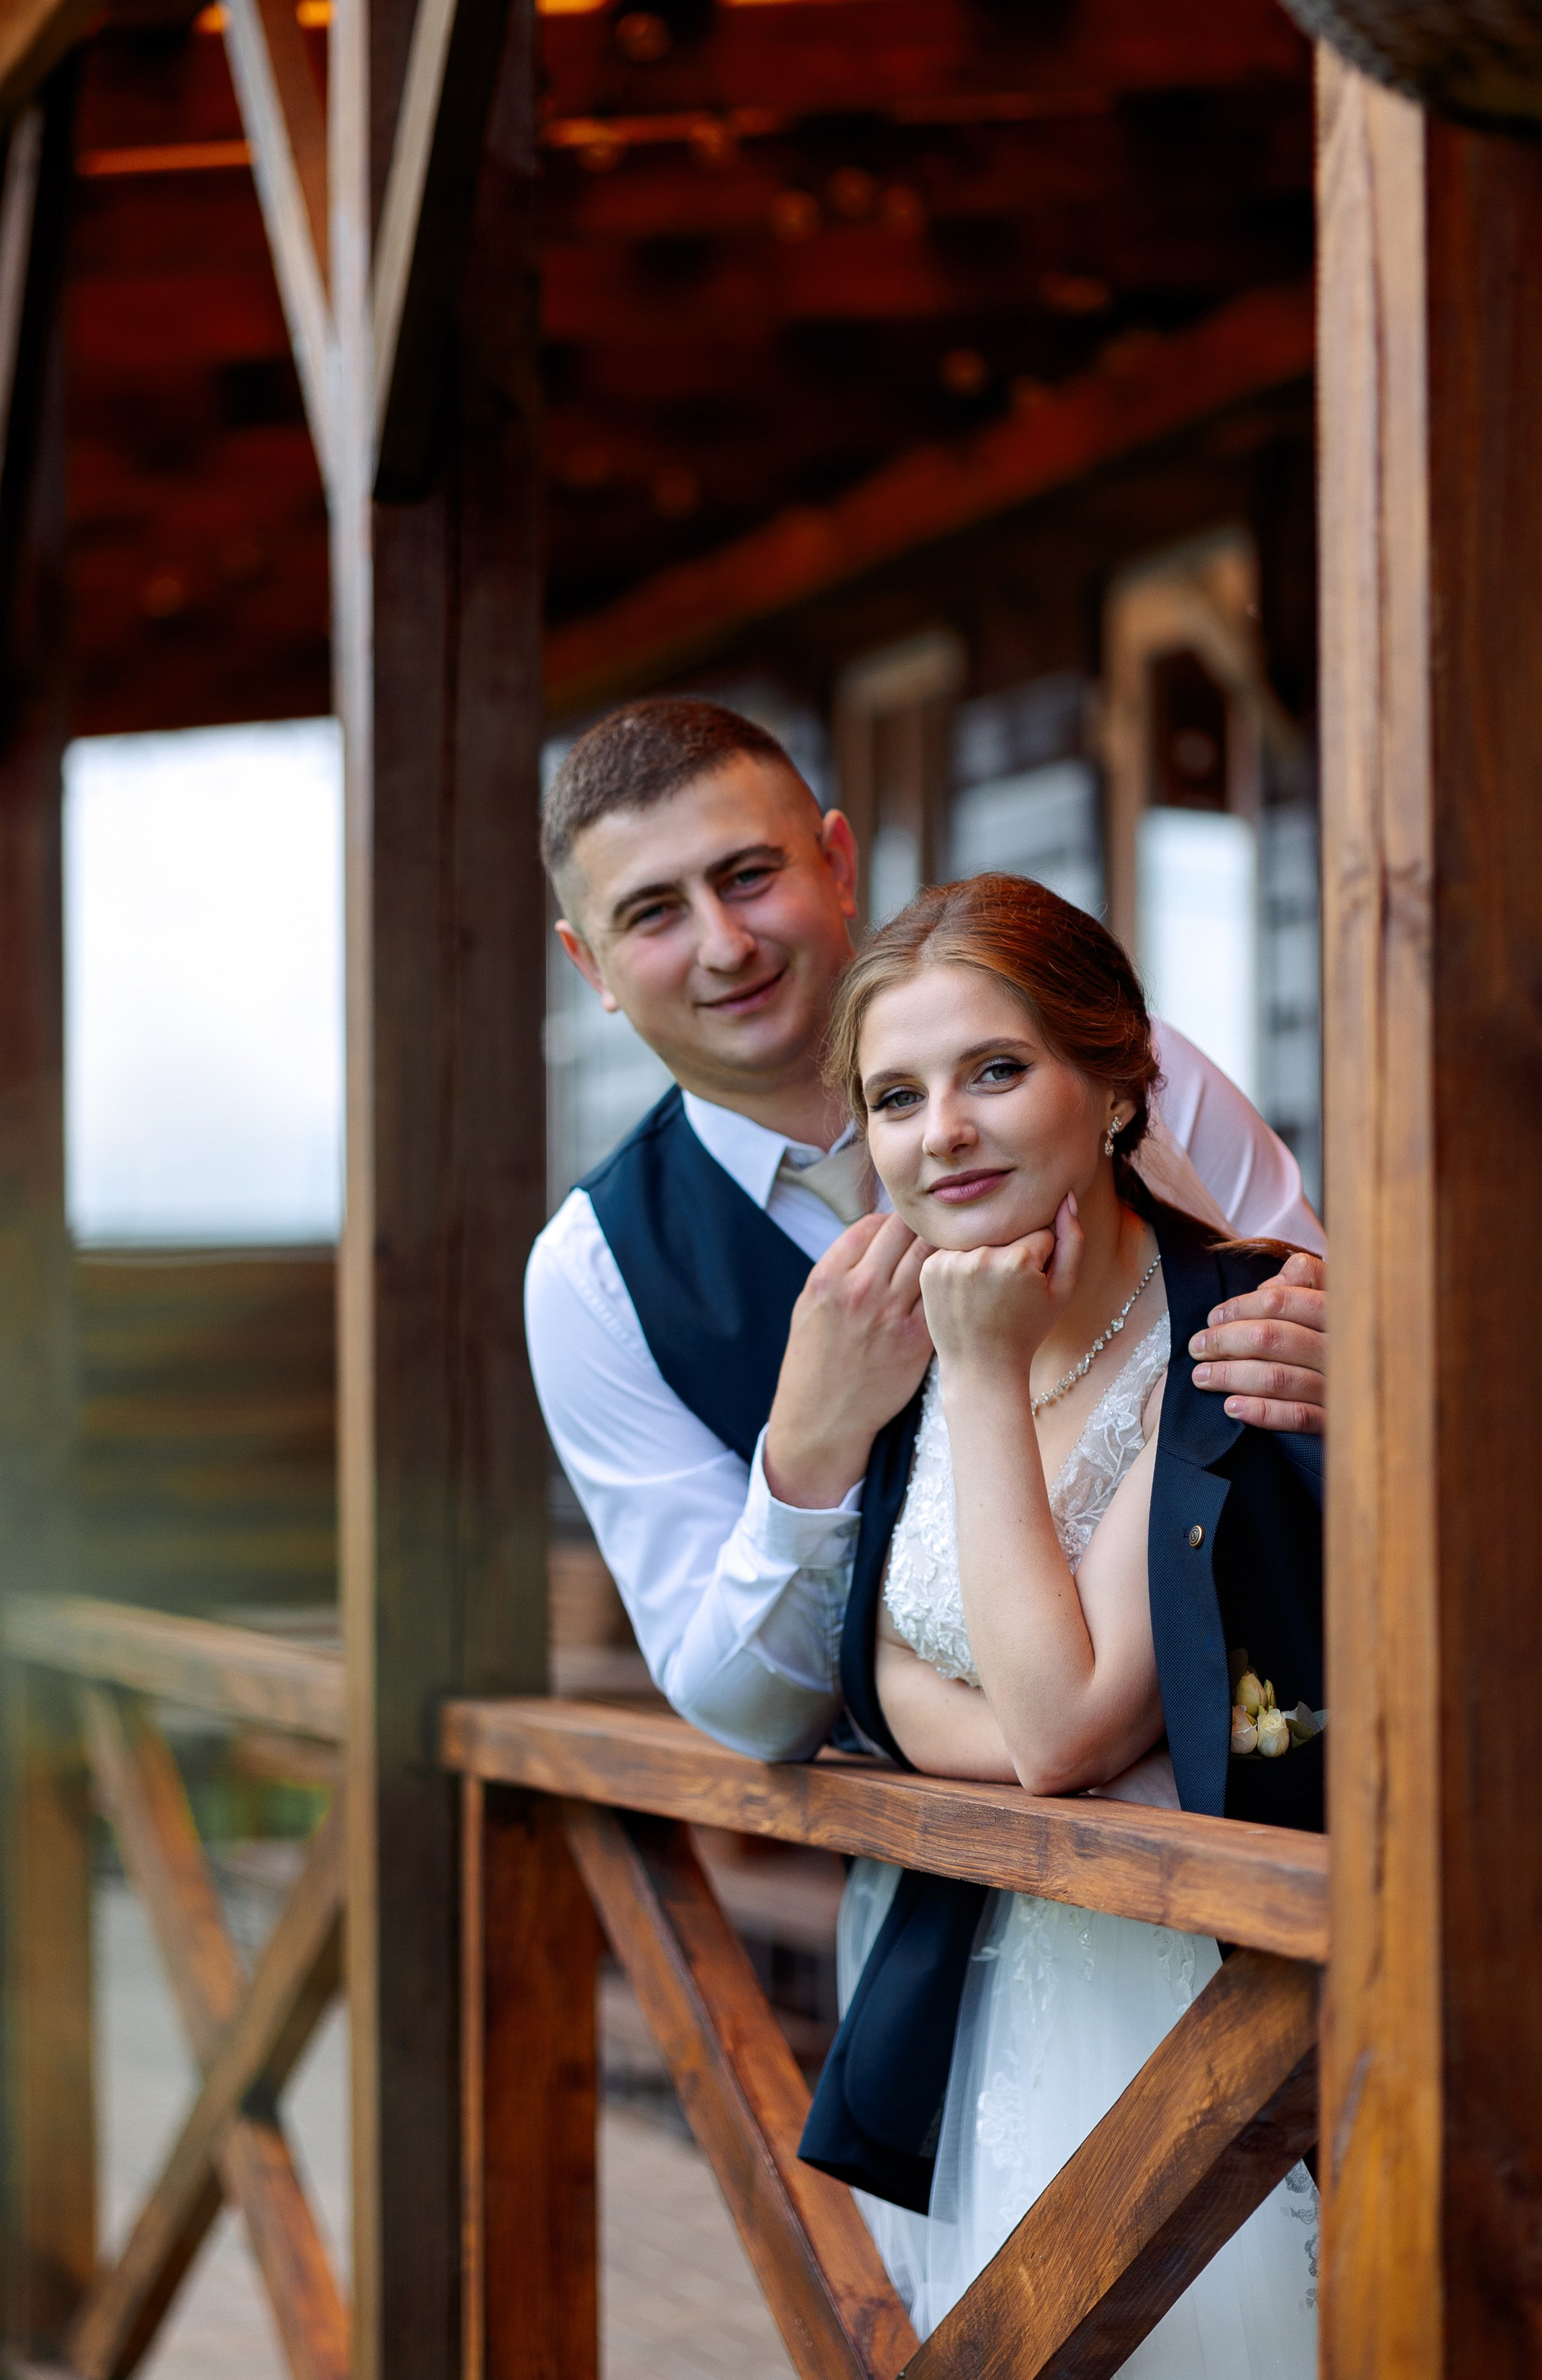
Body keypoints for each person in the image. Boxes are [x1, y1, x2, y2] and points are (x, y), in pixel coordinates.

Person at [799, 873, 1321, 2380]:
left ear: (1114, 1083)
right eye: (895, 1095)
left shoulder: (1230, 1325)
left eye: (993, 1072)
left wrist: (975, 1374)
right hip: (969, 2016)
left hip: (1198, 2019)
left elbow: (1061, 1722)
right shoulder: (908, 1326)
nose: (940, 1133)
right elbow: (870, 1681)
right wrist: (1008, 1742)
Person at [526, 696, 1326, 1761]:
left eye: (749, 875)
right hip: (920, 1890)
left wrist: (1349, 1366)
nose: (725, 944)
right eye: (654, 913)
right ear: (592, 968)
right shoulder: (592, 1276)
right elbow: (746, 1712)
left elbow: (1313, 1330)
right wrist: (810, 1448)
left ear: (838, 864)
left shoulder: (1134, 1070)